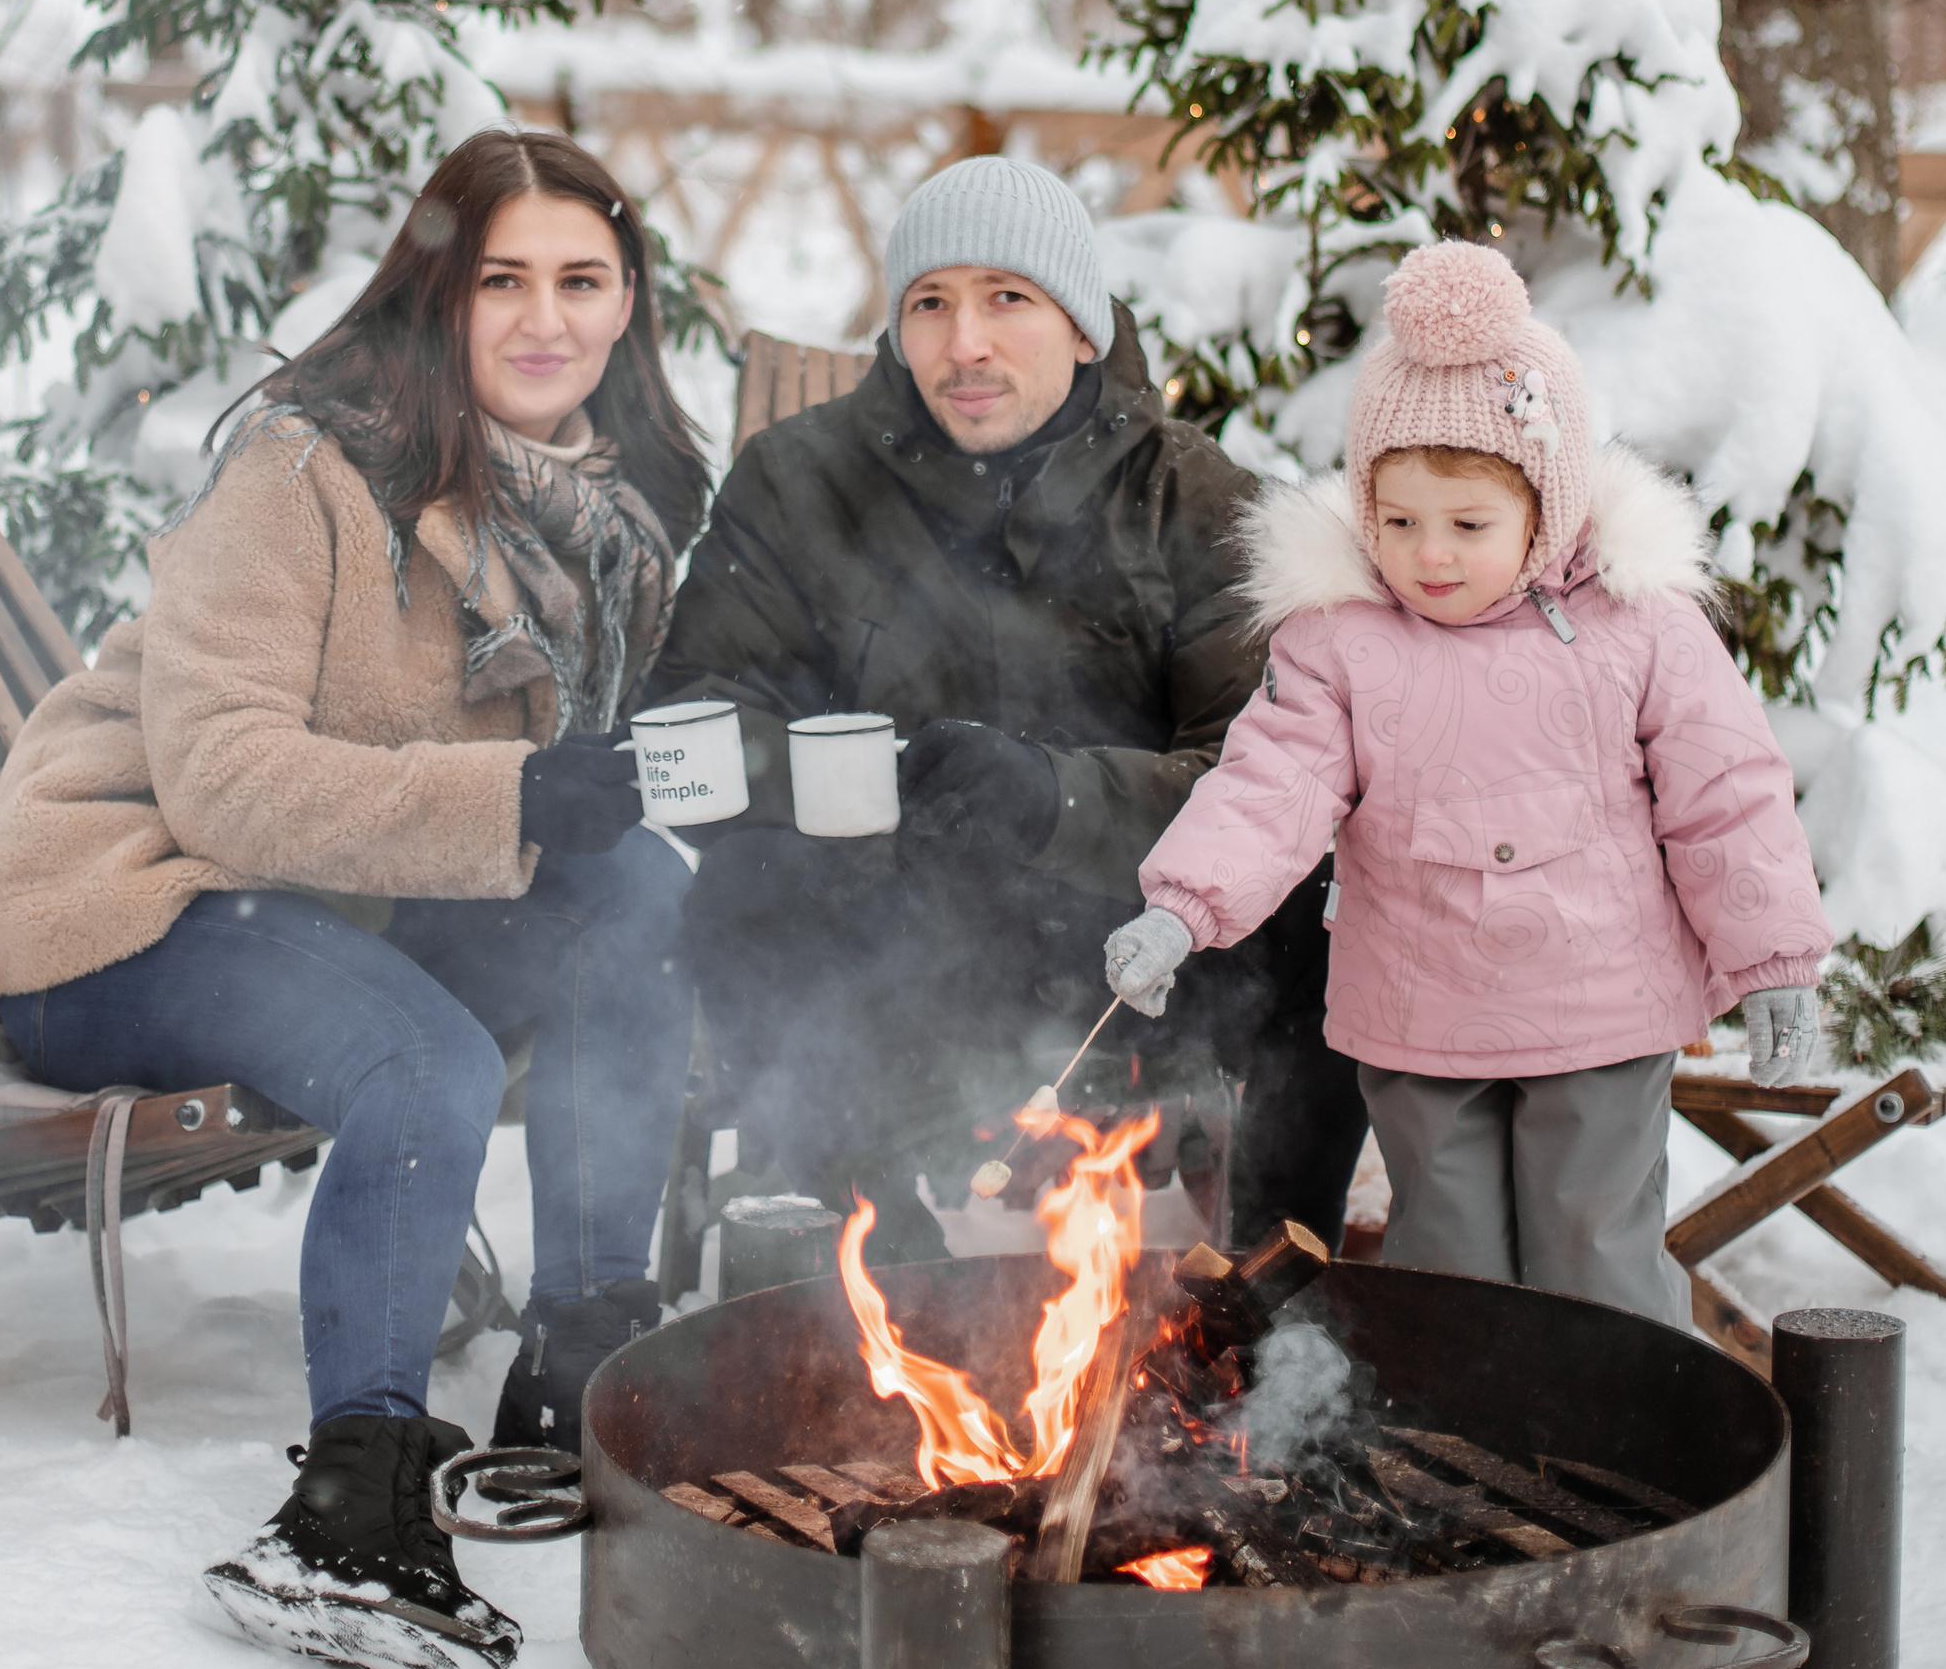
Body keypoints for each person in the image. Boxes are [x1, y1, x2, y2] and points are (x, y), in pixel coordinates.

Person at [0, 129, 706, 1669]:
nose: (543, 319)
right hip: (136, 907)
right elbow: (225, 779)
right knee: (423, 1059)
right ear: (439, 297)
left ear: (629, 302)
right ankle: (353, 1507)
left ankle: (577, 1363)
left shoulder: (604, 516)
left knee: (634, 889)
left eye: (583, 281)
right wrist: (508, 801)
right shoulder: (306, 467)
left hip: (340, 913)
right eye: (501, 279)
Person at [1102, 239, 1833, 1321]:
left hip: (1601, 1008)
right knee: (1449, 1261)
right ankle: (1465, 1452)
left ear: (1549, 507)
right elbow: (1269, 783)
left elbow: (1726, 796)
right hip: (1420, 1017)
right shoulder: (1340, 640)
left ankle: (1624, 1448)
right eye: (1397, 522)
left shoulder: (1639, 627)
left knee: (1593, 1244)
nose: (1428, 556)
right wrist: (1181, 908)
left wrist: (1772, 960)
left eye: (1469, 524)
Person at [657, 156, 1367, 1258]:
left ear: (1082, 327)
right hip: (893, 934)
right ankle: (878, 1260)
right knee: (744, 891)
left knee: (1328, 921)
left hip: (1131, 937)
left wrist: (1055, 799)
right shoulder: (799, 482)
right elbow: (695, 714)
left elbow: (1264, 764)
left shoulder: (1191, 495)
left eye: (1008, 299)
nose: (965, 344)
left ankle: (1269, 1302)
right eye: (929, 304)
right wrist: (856, 783)